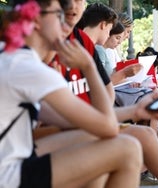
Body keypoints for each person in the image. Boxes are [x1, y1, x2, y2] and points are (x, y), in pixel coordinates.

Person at [47, 2, 158, 187]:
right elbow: (64, 117)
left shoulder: (81, 41)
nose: (76, 5)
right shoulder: (44, 51)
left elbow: (99, 105)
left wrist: (135, 111)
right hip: (58, 134)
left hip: (80, 124)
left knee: (142, 138)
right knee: (128, 148)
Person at [0, 0, 145, 187]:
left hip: (14, 159)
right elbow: (107, 126)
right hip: (9, 175)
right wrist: (89, 67)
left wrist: (135, 111)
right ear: (36, 19)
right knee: (128, 148)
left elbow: (74, 121)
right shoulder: (30, 69)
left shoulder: (11, 56)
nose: (66, 23)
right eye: (59, 15)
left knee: (95, 146)